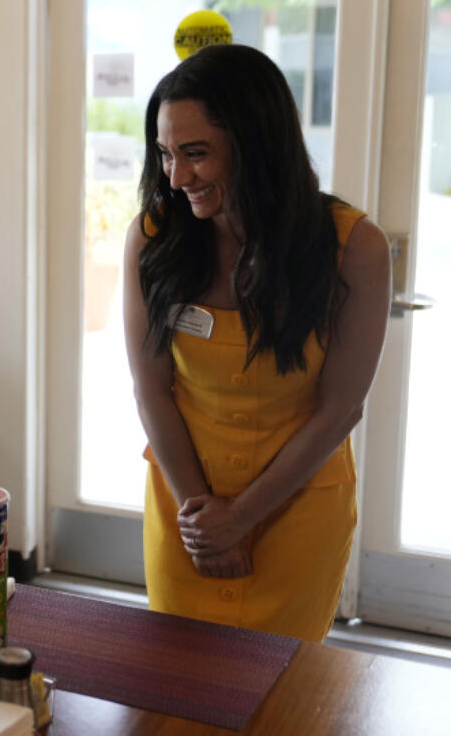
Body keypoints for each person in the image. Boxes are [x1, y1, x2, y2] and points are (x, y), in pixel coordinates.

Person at [123, 44, 391, 641]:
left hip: (296, 509)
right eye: (165, 155)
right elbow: (151, 390)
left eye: (196, 154)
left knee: (282, 701)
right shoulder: (154, 239)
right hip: (184, 504)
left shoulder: (354, 248)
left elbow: (340, 409)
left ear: (258, 145)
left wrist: (241, 518)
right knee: (177, 691)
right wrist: (205, 521)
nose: (175, 176)